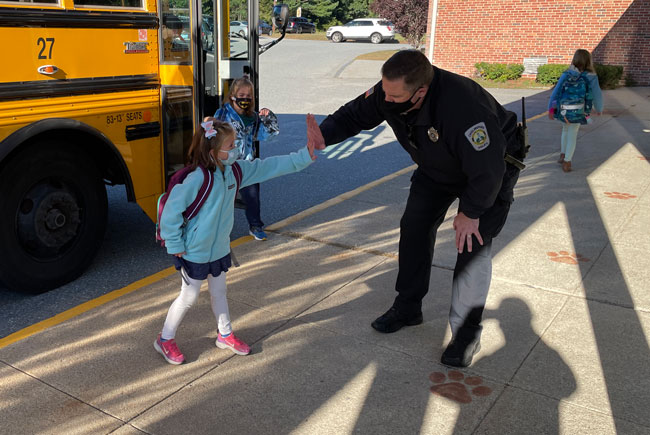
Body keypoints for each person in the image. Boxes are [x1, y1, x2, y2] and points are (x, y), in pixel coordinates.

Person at [308, 49, 524, 368]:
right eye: (384, 90)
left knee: (471, 248)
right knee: (414, 229)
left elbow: (488, 169)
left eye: (394, 96)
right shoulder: (392, 90)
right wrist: (325, 134)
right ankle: (408, 307)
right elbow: (356, 113)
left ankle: (465, 333)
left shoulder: (464, 108)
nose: (386, 99)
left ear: (420, 91)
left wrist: (472, 212)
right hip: (437, 166)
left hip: (489, 170)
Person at [154, 115, 318, 365]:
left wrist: (304, 157)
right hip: (194, 251)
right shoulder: (197, 179)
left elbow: (269, 167)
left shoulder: (235, 172)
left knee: (219, 293)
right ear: (212, 151)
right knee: (188, 297)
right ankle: (165, 339)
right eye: (230, 146)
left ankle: (225, 334)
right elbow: (171, 213)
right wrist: (175, 245)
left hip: (218, 250)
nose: (236, 150)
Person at [215, 76, 280, 241]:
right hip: (226, 164)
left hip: (247, 165)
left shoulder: (253, 117)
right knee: (222, 200)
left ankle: (255, 226)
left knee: (252, 198)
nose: (245, 98)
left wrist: (268, 118)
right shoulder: (223, 113)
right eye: (241, 94)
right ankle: (218, 231)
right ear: (232, 96)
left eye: (248, 96)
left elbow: (268, 136)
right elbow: (213, 135)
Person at [548, 49, 603, 173]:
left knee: (565, 129)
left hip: (563, 110)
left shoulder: (567, 74)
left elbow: (556, 92)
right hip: (579, 110)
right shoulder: (591, 76)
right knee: (573, 133)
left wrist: (551, 108)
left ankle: (562, 155)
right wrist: (599, 108)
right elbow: (597, 94)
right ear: (589, 61)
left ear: (574, 59)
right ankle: (567, 161)